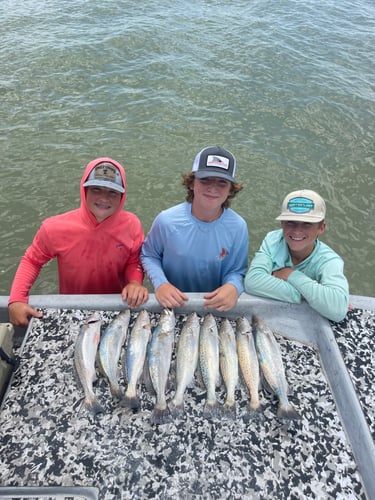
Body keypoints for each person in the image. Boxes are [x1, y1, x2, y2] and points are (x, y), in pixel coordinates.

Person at [8, 157, 149, 326]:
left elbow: (134, 260)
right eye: (96, 189)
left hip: (117, 306)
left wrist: (134, 282)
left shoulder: (132, 225)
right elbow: (32, 260)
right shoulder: (54, 227)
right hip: (72, 307)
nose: (104, 198)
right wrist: (17, 298)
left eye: (112, 192)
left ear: (122, 196)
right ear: (84, 190)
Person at [141, 146, 249, 311]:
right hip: (171, 303)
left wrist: (234, 287)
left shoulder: (238, 227)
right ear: (191, 183)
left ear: (230, 190)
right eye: (205, 180)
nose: (213, 188)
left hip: (213, 306)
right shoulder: (166, 220)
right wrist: (161, 284)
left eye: (222, 182)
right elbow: (149, 254)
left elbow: (236, 269)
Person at [244, 189, 349, 322]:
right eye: (290, 222)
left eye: (307, 224)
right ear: (281, 224)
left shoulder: (330, 261)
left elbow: (338, 309)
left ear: (321, 228)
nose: (297, 231)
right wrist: (310, 295)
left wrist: (291, 275)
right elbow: (252, 281)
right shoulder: (273, 239)